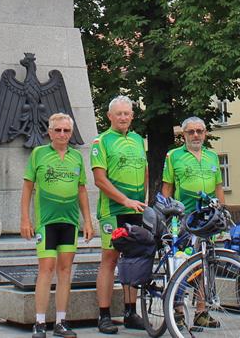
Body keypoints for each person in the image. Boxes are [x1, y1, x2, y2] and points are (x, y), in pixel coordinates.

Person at [21, 113, 94, 338]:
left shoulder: (76, 157)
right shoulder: (38, 153)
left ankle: (61, 321)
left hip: (69, 221)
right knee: (46, 269)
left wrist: (87, 221)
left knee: (65, 270)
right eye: (58, 130)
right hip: (46, 222)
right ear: (50, 132)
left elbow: (82, 190)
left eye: (66, 130)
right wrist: (25, 219)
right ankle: (40, 322)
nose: (62, 134)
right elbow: (27, 188)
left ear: (71, 133)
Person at [162, 116, 226, 329]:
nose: (196, 135)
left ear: (205, 133)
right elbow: (167, 188)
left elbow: (218, 187)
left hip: (208, 218)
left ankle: (201, 311)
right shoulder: (173, 156)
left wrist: (222, 212)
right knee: (181, 263)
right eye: (191, 132)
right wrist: (166, 215)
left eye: (199, 131)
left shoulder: (212, 156)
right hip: (183, 217)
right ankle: (178, 310)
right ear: (184, 135)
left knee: (207, 262)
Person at [91, 95, 148, 334]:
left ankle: (130, 312)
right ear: (109, 116)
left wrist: (143, 200)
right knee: (110, 259)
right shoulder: (101, 141)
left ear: (132, 116)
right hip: (113, 211)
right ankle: (104, 315)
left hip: (136, 209)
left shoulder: (137, 139)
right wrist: (124, 200)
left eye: (127, 114)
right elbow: (99, 179)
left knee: (134, 259)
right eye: (119, 114)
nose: (123, 118)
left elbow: (145, 170)